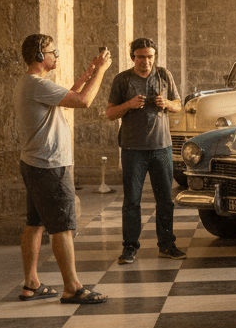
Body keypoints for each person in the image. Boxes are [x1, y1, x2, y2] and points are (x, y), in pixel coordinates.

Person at [14, 34, 113, 304]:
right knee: (63, 228)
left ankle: (31, 283)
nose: (56, 55)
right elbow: (82, 101)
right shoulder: (36, 84)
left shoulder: (31, 84)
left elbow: (68, 95)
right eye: (52, 52)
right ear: (38, 56)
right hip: (49, 166)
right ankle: (72, 287)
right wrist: (102, 71)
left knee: (34, 224)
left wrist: (85, 76)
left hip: (34, 163)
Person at [106, 37, 184, 264]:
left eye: (150, 56)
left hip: (161, 147)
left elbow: (178, 105)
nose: (146, 61)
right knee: (132, 201)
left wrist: (167, 103)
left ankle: (167, 245)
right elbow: (110, 113)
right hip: (133, 149)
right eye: (141, 57)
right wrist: (128, 105)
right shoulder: (122, 80)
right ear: (133, 57)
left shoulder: (164, 75)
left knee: (165, 200)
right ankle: (129, 247)